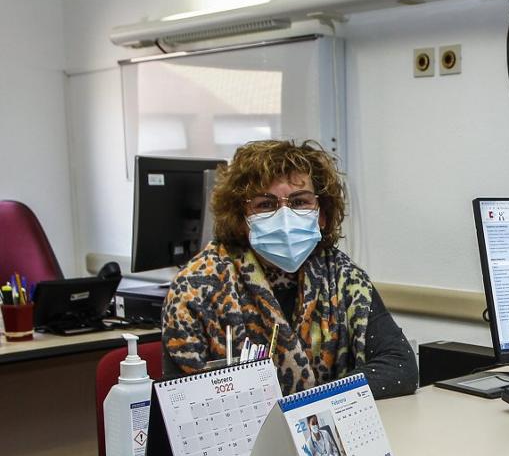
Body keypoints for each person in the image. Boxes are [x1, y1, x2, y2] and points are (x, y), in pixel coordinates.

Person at [162, 139, 418, 397]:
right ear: (241, 219)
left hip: (325, 430)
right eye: (266, 204)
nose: (285, 216)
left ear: (322, 215)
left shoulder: (342, 276)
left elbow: (399, 365)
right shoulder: (196, 287)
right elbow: (183, 400)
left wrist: (309, 405)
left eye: (299, 202)